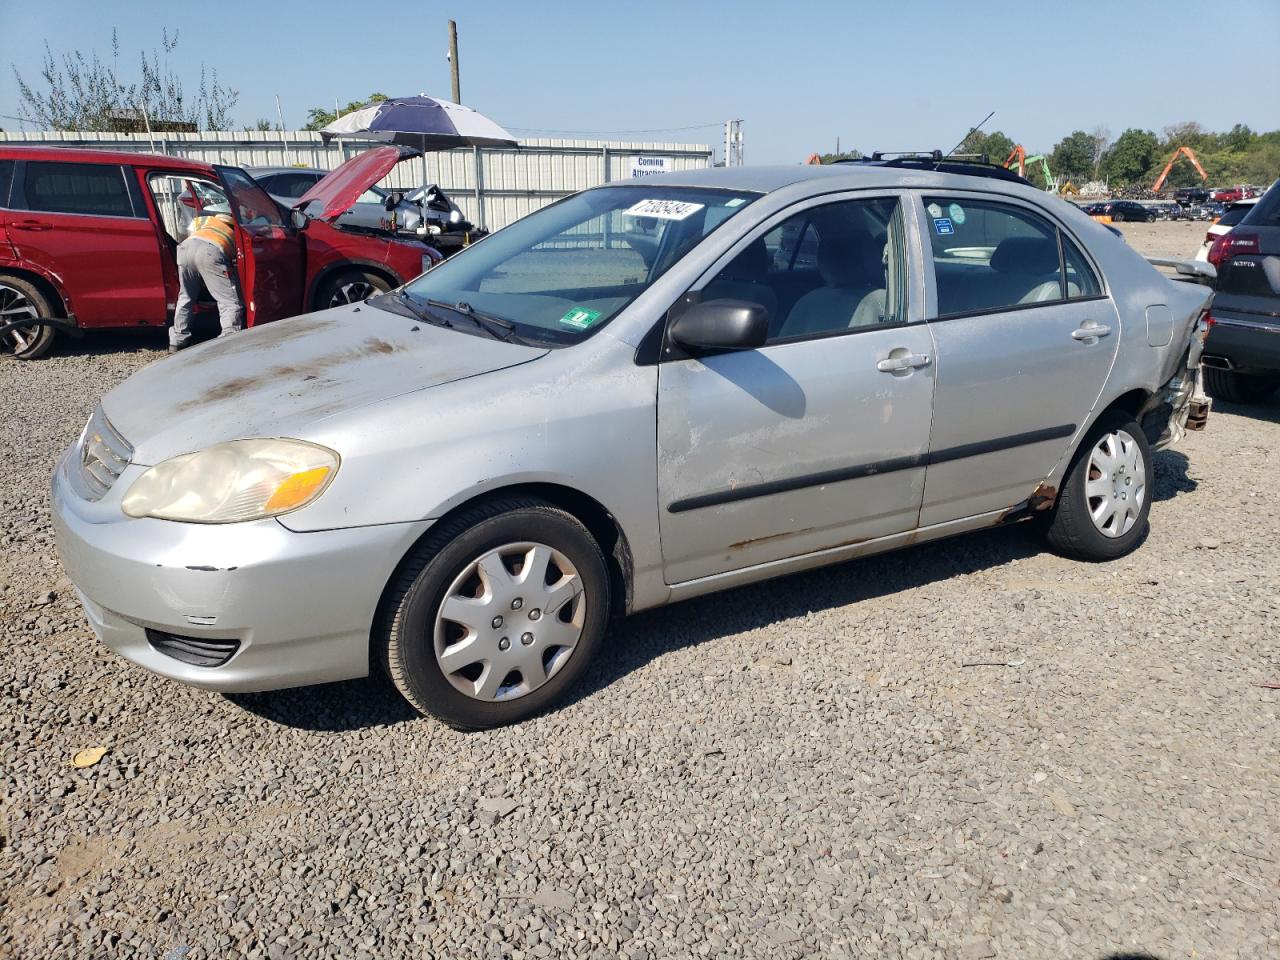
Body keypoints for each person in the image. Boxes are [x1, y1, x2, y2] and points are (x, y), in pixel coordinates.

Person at [170, 212, 243, 352]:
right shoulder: (234, 232)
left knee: (186, 296)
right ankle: (229, 339)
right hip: (210, 252)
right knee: (229, 301)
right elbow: (232, 261)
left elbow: (186, 230)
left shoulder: (205, 222)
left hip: (185, 248)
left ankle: (178, 340)